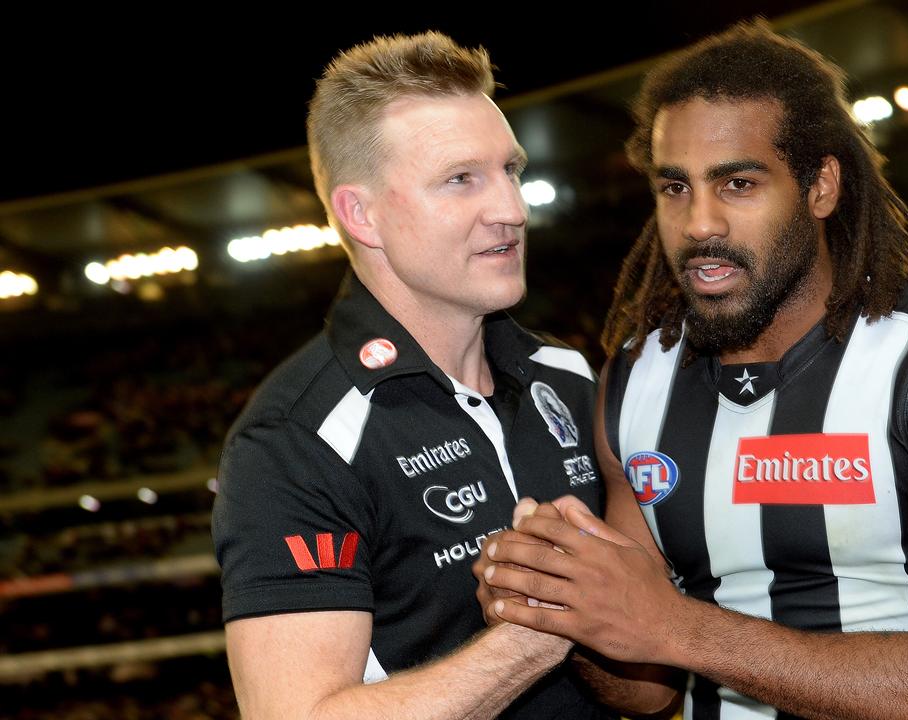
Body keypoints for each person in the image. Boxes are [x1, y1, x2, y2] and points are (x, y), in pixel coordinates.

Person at [475, 21, 908, 720]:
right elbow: (647, 687)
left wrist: (680, 626)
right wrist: (559, 604)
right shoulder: (635, 381)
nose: (700, 224)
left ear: (820, 187)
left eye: (739, 183)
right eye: (675, 188)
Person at [211, 31, 610, 720]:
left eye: (509, 170)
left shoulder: (568, 377)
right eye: (462, 179)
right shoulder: (297, 439)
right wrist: (530, 639)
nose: (512, 210)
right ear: (361, 215)